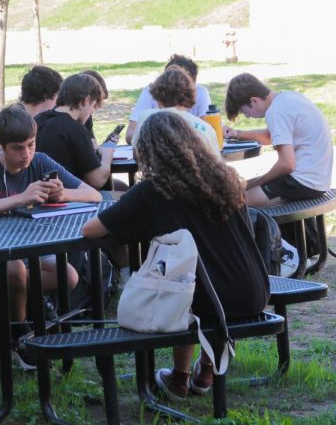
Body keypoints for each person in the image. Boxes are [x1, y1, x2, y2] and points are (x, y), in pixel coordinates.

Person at [82, 111, 269, 400]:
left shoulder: (154, 190)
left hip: (212, 300)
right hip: (255, 289)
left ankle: (180, 378)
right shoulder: (227, 179)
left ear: (147, 151)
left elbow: (91, 230)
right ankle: (202, 371)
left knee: (179, 283)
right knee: (196, 276)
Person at [0, 103, 101, 368]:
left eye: (31, 144)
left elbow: (92, 194)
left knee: (68, 275)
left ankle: (15, 322)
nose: (26, 154)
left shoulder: (40, 160)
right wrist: (18, 199)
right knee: (15, 271)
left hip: (29, 247)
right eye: (18, 148)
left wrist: (63, 194)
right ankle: (21, 335)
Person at [223, 73, 333, 207]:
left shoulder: (275, 112)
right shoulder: (288, 97)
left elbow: (287, 164)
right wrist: (237, 133)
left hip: (303, 182)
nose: (248, 117)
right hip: (319, 179)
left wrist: (256, 183)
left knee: (235, 202)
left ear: (254, 100)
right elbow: (271, 136)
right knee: (244, 188)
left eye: (245, 112)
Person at [35, 73, 115, 191]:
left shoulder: (38, 120)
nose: (91, 112)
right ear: (86, 100)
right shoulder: (75, 129)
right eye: (93, 106)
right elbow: (97, 180)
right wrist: (107, 156)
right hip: (66, 199)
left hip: (37, 194)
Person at [131, 66, 220, 155]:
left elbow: (137, 155)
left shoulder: (146, 118)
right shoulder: (207, 129)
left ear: (157, 98)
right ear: (189, 97)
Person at [126, 54, 211, 144]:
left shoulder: (201, 92)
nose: (170, 85)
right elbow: (130, 135)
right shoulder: (150, 91)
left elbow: (209, 131)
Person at [0, 65, 62, 152]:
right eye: (57, 97)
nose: (59, 104)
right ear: (46, 96)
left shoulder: (17, 116)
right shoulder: (13, 122)